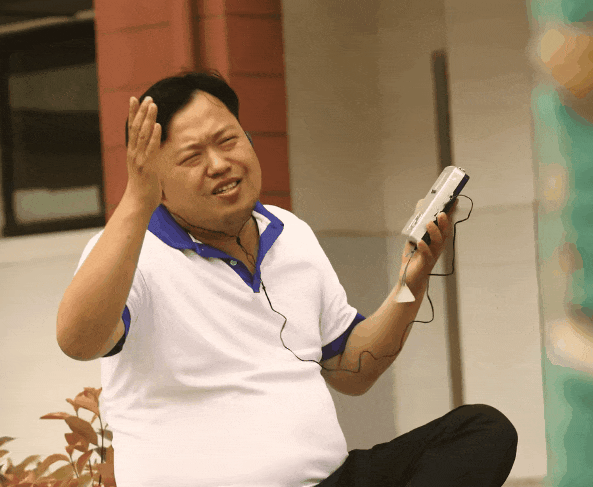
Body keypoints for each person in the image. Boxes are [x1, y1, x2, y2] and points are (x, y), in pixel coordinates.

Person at [56, 71, 518, 487]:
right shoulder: (129, 251)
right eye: (192, 156)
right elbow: (78, 341)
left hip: (326, 480)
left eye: (228, 141)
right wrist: (135, 203)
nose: (219, 164)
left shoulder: (290, 232)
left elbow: (351, 371)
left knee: (481, 430)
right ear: (154, 180)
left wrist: (410, 284)